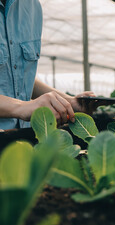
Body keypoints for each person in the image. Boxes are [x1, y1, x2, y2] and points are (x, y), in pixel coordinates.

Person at [0, 0, 100, 130]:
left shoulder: (32, 6)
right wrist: (21, 107)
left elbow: (18, 76)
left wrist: (67, 101)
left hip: (25, 135)